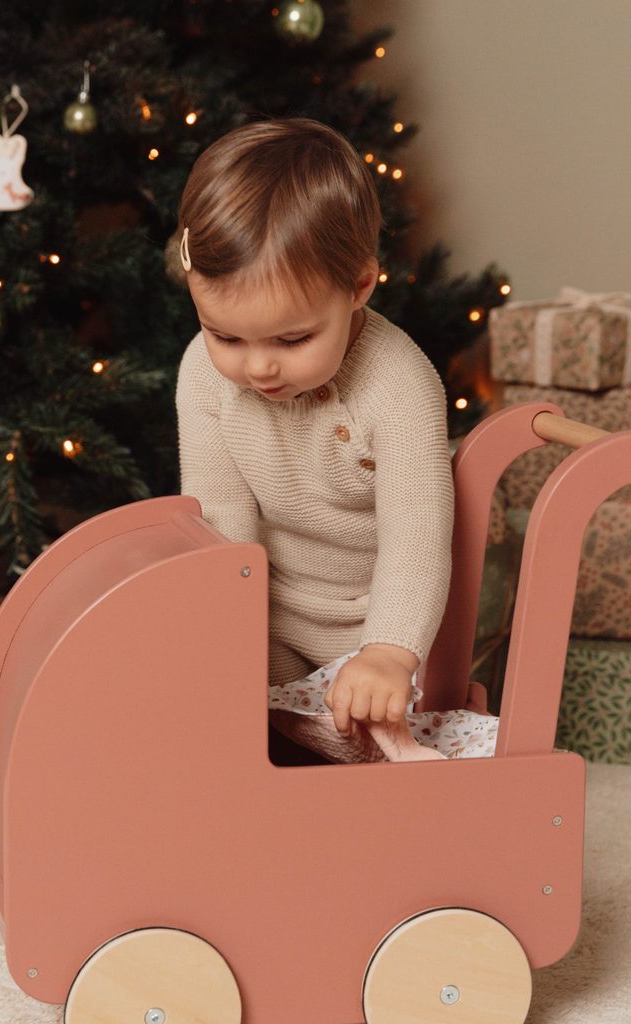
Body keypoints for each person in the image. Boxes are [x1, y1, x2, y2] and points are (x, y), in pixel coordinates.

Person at [174, 117, 455, 764]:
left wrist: (390, 652)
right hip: (268, 614)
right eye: (226, 336)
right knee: (197, 706)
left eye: (293, 339)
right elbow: (220, 520)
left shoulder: (399, 386)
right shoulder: (203, 375)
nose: (258, 367)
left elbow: (417, 538)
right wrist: (222, 639)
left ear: (359, 286)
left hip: (376, 626)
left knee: (371, 742)